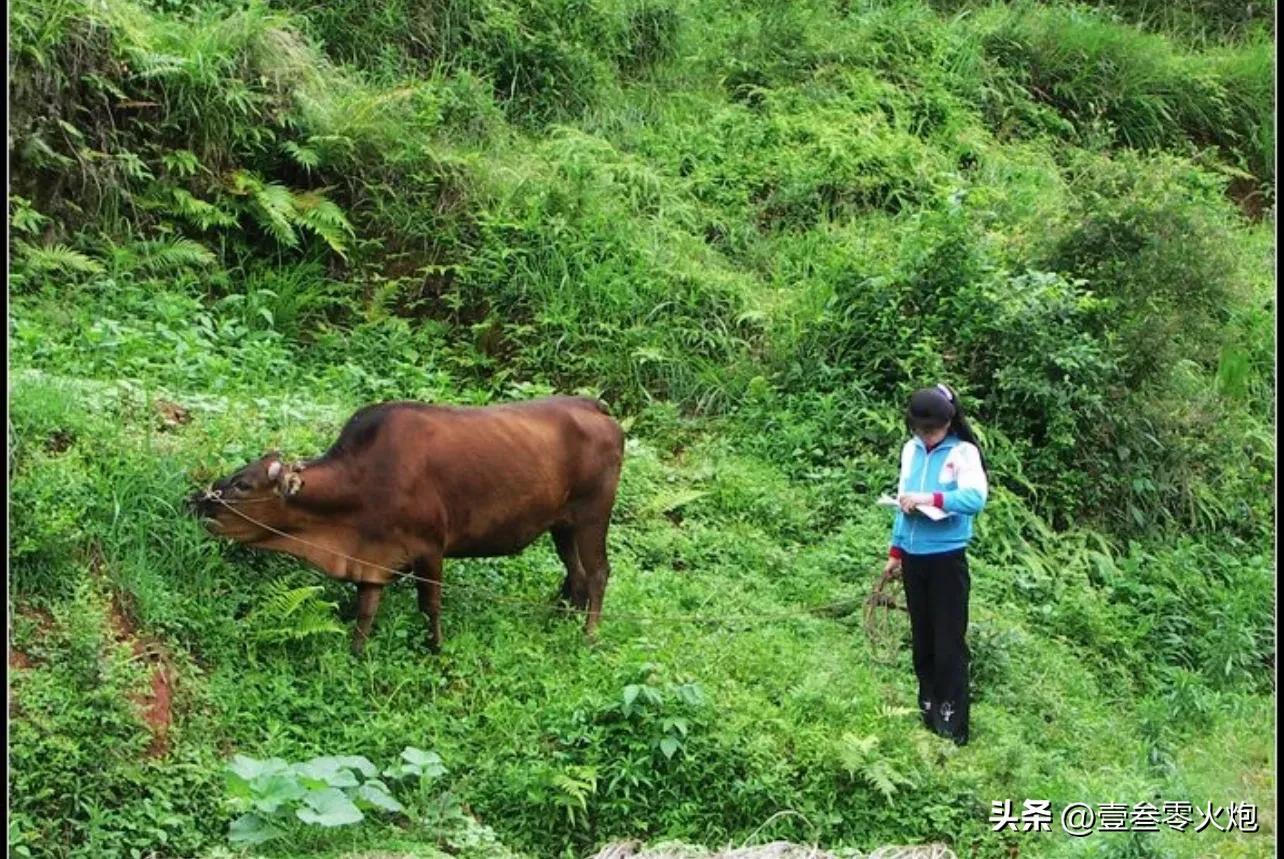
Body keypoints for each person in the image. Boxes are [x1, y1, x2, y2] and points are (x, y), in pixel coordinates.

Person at [881, 383, 988, 745]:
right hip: (914, 557)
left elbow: (974, 498)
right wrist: (896, 553)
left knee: (948, 642)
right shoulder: (910, 451)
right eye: (920, 429)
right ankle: (927, 709)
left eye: (933, 430)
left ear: (949, 422)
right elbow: (902, 499)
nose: (926, 436)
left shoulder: (963, 453)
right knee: (922, 639)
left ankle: (952, 724)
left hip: (946, 558)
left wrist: (931, 497)